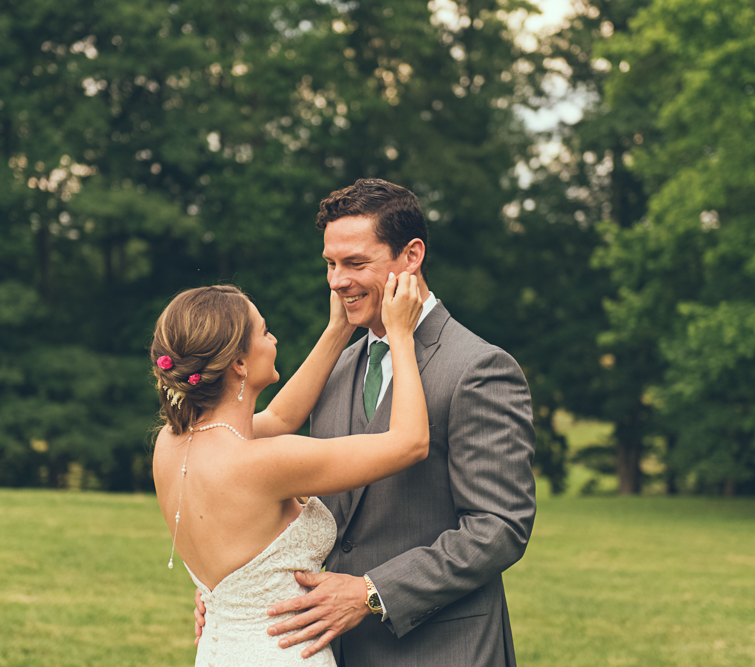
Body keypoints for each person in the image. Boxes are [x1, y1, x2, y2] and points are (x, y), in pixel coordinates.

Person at [196, 178, 537, 665]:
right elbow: (292, 498)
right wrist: (228, 586)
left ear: (411, 256)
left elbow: (500, 527)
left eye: (356, 263)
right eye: (331, 264)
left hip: (441, 649)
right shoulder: (334, 366)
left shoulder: (480, 369)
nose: (337, 281)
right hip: (331, 649)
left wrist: (370, 592)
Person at [151, 273, 428, 667]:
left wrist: (338, 329)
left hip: (219, 650)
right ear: (240, 363)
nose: (274, 340)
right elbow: (409, 443)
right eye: (265, 332)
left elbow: (281, 416)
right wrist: (401, 334)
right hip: (281, 655)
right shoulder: (263, 462)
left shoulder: (172, 442)